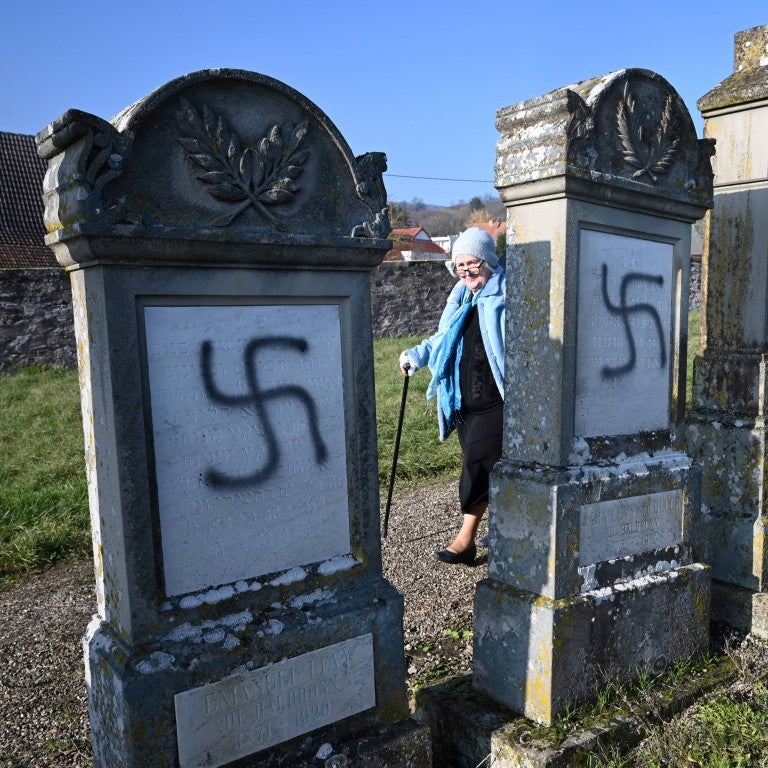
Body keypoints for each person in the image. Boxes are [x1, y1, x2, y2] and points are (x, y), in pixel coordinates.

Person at [399, 227, 505, 565]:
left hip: (497, 401)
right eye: (460, 267)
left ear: (487, 260)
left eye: (472, 263)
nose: (467, 272)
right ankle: (506, 528)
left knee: (476, 466)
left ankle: (465, 540)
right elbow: (441, 339)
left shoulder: (506, 298)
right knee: (492, 468)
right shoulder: (460, 299)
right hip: (463, 404)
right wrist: (416, 355)